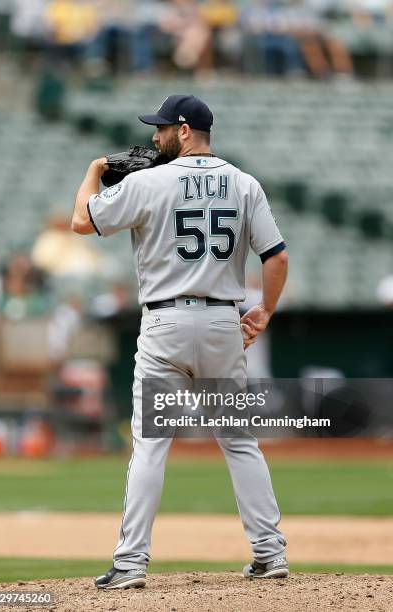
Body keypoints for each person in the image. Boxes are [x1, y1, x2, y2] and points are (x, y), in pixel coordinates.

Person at [72, 94, 289, 589]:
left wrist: (97, 167)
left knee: (150, 445)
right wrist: (265, 310)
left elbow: (82, 220)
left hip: (165, 324)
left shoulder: (148, 181)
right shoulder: (244, 182)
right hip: (221, 323)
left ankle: (130, 564)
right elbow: (275, 257)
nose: (155, 136)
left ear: (185, 131)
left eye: (163, 128)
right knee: (240, 443)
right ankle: (269, 552)